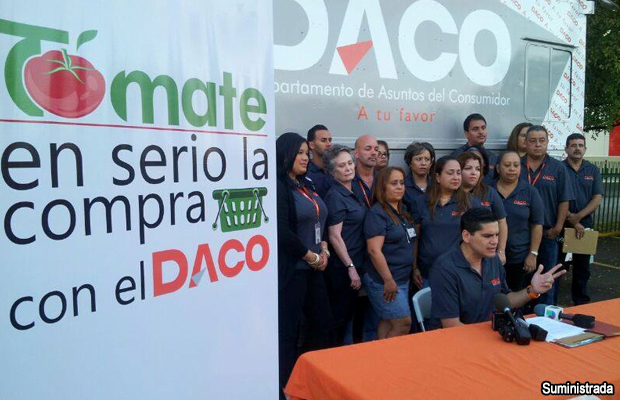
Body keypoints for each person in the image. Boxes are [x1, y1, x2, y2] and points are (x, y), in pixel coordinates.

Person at [430, 208, 566, 328]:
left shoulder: (493, 259)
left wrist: (532, 291)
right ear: (466, 236)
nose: (495, 241)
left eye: (496, 235)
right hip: (457, 342)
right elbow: (452, 326)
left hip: (490, 335)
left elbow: (505, 300)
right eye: (487, 236)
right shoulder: (445, 269)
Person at [276, 132, 333, 397]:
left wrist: (323, 249)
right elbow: (282, 232)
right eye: (299, 153)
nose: (305, 158)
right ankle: (288, 387)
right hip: (294, 272)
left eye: (306, 153)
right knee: (288, 333)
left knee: (323, 324)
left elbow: (319, 219)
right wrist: (310, 257)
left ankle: (310, 379)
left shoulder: (306, 183)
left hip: (315, 267)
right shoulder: (279, 186)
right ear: (285, 154)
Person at [521, 125, 574, 306]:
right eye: (533, 140)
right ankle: (520, 316)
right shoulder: (516, 165)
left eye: (542, 140)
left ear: (547, 142)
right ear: (525, 143)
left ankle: (544, 315)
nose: (538, 144)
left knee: (546, 280)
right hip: (521, 234)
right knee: (521, 280)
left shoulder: (558, 168)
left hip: (548, 234)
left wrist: (558, 227)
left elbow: (564, 200)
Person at [364, 167, 417, 338]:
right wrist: (388, 280)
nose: (400, 187)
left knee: (388, 321)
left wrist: (414, 268)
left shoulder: (402, 211)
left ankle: (381, 352)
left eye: (402, 183)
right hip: (384, 280)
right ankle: (391, 353)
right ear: (383, 187)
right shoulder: (377, 213)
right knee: (403, 322)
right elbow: (374, 250)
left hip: (402, 277)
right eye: (394, 183)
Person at [322, 145, 368, 345]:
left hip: (358, 261)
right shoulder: (335, 196)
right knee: (340, 320)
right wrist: (350, 267)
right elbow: (334, 236)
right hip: (343, 268)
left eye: (350, 163)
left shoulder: (353, 188)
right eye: (342, 166)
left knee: (352, 317)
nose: (348, 168)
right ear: (332, 172)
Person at [412, 156, 469, 288]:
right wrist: (414, 267)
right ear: (437, 177)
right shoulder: (420, 202)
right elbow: (415, 238)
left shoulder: (469, 203)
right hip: (427, 272)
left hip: (458, 272)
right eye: (450, 173)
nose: (456, 177)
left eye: (458, 173)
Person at [560, 133, 604, 305]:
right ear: (566, 149)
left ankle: (581, 303)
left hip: (584, 225)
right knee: (557, 266)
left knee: (582, 268)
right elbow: (554, 197)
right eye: (573, 145)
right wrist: (571, 219)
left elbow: (597, 197)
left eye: (580, 145)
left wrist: (578, 218)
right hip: (560, 223)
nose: (577, 148)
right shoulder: (559, 169)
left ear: (585, 149)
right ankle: (550, 304)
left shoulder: (592, 170)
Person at [491, 151, 544, 291]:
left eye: (516, 165)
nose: (512, 169)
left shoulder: (530, 192)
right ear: (498, 168)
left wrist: (533, 254)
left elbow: (537, 225)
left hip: (519, 257)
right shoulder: (487, 190)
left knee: (516, 296)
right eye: (507, 165)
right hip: (489, 255)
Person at [457, 151, 508, 264]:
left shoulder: (489, 192)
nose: (473, 173)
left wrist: (501, 251)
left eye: (477, 169)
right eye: (468, 168)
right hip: (458, 254)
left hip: (485, 255)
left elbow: (502, 221)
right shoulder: (451, 193)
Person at [352, 134, 380, 341]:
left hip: (379, 256)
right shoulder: (346, 179)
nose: (373, 153)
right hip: (354, 254)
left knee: (375, 315)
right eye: (368, 148)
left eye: (376, 149)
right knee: (352, 315)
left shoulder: (384, 179)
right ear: (356, 153)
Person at [451, 113, 498, 179]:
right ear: (466, 134)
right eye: (476, 129)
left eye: (483, 128)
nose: (481, 132)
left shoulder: (492, 157)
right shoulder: (457, 156)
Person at [402, 142, 435, 214]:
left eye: (427, 159)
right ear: (410, 163)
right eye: (418, 159)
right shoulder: (402, 186)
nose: (423, 163)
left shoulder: (436, 184)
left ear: (431, 163)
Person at [306, 124, 333, 198]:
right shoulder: (306, 173)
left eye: (330, 140)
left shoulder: (335, 169)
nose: (329, 144)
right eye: (323, 140)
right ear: (311, 145)